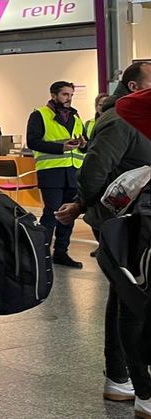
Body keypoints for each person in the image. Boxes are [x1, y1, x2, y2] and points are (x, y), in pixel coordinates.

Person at [56, 63, 151, 410]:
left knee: (128, 296)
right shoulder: (122, 118)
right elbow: (95, 168)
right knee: (131, 298)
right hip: (130, 219)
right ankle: (128, 379)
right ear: (133, 85)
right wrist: (86, 205)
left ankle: (125, 377)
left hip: (138, 217)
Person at [28, 81, 87, 268]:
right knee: (52, 213)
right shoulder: (39, 115)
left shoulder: (76, 117)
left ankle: (61, 252)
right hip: (51, 172)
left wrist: (84, 145)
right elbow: (33, 142)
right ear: (53, 95)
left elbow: (86, 145)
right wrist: (61, 147)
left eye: (71, 95)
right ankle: (41, 252)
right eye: (65, 94)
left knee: (68, 214)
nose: (69, 98)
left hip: (73, 172)